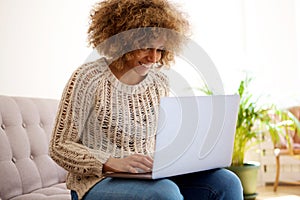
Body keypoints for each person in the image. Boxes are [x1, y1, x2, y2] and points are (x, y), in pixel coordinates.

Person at [49, 0, 243, 199]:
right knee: (164, 193)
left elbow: (160, 139)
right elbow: (59, 145)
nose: (154, 58)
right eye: (145, 47)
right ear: (123, 42)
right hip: (97, 181)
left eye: (160, 49)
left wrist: (183, 155)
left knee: (227, 182)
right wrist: (109, 161)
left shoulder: (159, 82)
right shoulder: (89, 77)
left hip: (147, 177)